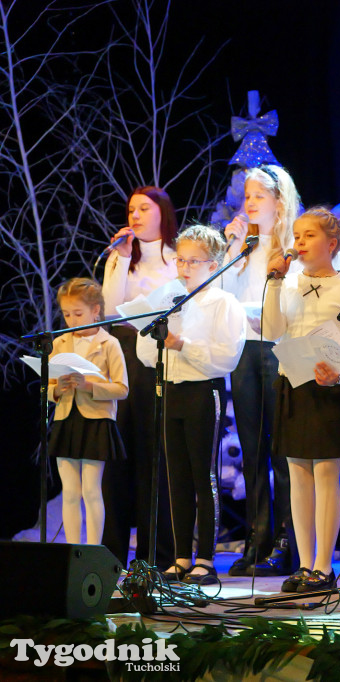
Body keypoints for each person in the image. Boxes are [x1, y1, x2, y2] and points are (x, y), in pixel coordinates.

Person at [262, 207, 340, 592]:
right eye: (296, 236)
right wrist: (274, 282)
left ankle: (324, 566)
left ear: (331, 243)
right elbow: (272, 330)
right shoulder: (288, 283)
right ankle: (304, 562)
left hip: (330, 386)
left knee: (327, 474)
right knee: (298, 474)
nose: (299, 243)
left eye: (308, 236)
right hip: (293, 382)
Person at [137, 225, 246, 585]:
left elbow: (227, 357)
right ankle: (182, 555)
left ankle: (207, 558)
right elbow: (144, 350)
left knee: (204, 475)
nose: (184, 267)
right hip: (171, 389)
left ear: (213, 264)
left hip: (204, 392)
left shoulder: (223, 303)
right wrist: (158, 340)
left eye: (193, 261)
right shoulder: (169, 297)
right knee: (177, 476)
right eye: (180, 260)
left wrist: (182, 344)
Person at [221, 164, 300, 578]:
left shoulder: (290, 245)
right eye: (246, 197)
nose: (249, 204)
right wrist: (232, 247)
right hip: (245, 349)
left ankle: (287, 541)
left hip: (279, 348)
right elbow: (224, 296)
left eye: (257, 197)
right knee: (252, 447)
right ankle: (258, 535)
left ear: (278, 201)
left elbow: (296, 297)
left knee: (281, 449)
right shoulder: (242, 245)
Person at [100, 187, 178, 567]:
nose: (135, 215)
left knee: (156, 456)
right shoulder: (120, 257)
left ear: (163, 212)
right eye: (131, 209)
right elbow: (109, 310)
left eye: (144, 208)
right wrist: (121, 258)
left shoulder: (178, 259)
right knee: (118, 456)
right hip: (122, 354)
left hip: (161, 355)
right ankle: (112, 552)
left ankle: (157, 555)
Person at [48, 278, 129, 546]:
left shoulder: (109, 344)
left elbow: (121, 388)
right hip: (66, 419)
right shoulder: (60, 344)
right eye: (67, 314)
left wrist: (89, 385)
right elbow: (46, 388)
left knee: (91, 491)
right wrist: (56, 389)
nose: (71, 320)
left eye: (78, 314)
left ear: (96, 310)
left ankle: (93, 553)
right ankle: (72, 552)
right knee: (70, 491)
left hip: (95, 421)